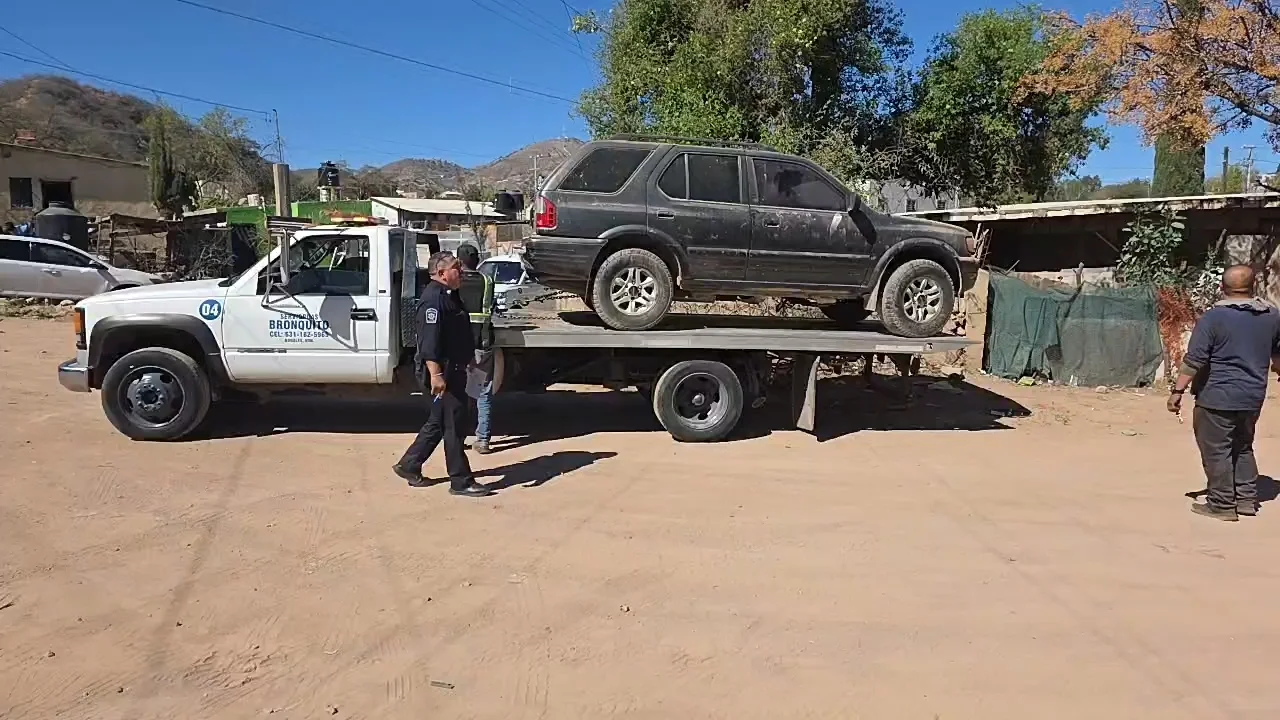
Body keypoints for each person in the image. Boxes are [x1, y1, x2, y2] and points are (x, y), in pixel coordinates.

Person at [1168, 265, 1280, 520]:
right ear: (1254, 286)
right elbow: (1277, 355)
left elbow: (1194, 359)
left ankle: (1221, 504)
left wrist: (1177, 391)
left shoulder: (1213, 318)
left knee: (1217, 449)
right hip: (1252, 396)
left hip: (1217, 395)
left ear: (1223, 287)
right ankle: (1246, 500)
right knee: (1243, 446)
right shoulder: (1271, 316)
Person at [393, 250, 492, 497]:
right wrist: (436, 376)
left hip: (454, 369)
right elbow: (430, 344)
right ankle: (460, 481)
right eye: (456, 268)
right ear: (441, 273)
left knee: (438, 422)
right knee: (455, 426)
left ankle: (409, 465)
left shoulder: (449, 295)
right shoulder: (433, 301)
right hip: (444, 374)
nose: (460, 272)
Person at [456, 243, 497, 454]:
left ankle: (458, 436)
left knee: (459, 392)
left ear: (459, 261)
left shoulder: (455, 281)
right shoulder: (487, 280)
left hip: (460, 345)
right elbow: (491, 307)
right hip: (483, 342)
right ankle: (482, 440)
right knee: (483, 392)